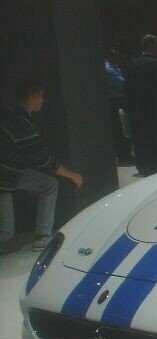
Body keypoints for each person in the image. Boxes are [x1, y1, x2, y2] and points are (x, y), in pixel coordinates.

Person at [0, 76, 83, 253]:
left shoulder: (10, 114)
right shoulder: (21, 123)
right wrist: (73, 175)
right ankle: (42, 237)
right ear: (33, 96)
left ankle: (43, 237)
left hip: (9, 174)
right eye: (41, 96)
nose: (43, 100)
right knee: (5, 234)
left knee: (49, 184)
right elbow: (43, 160)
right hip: (4, 178)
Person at [124, 35, 157, 176]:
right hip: (156, 110)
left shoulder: (133, 64)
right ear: (150, 45)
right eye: (156, 44)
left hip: (138, 111)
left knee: (141, 139)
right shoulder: (156, 64)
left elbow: (127, 88)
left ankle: (143, 165)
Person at [105, 48, 131, 165]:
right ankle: (123, 156)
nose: (119, 58)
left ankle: (125, 155)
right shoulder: (109, 69)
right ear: (111, 56)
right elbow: (122, 84)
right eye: (116, 56)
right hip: (116, 102)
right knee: (120, 130)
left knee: (122, 129)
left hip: (118, 101)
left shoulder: (114, 67)